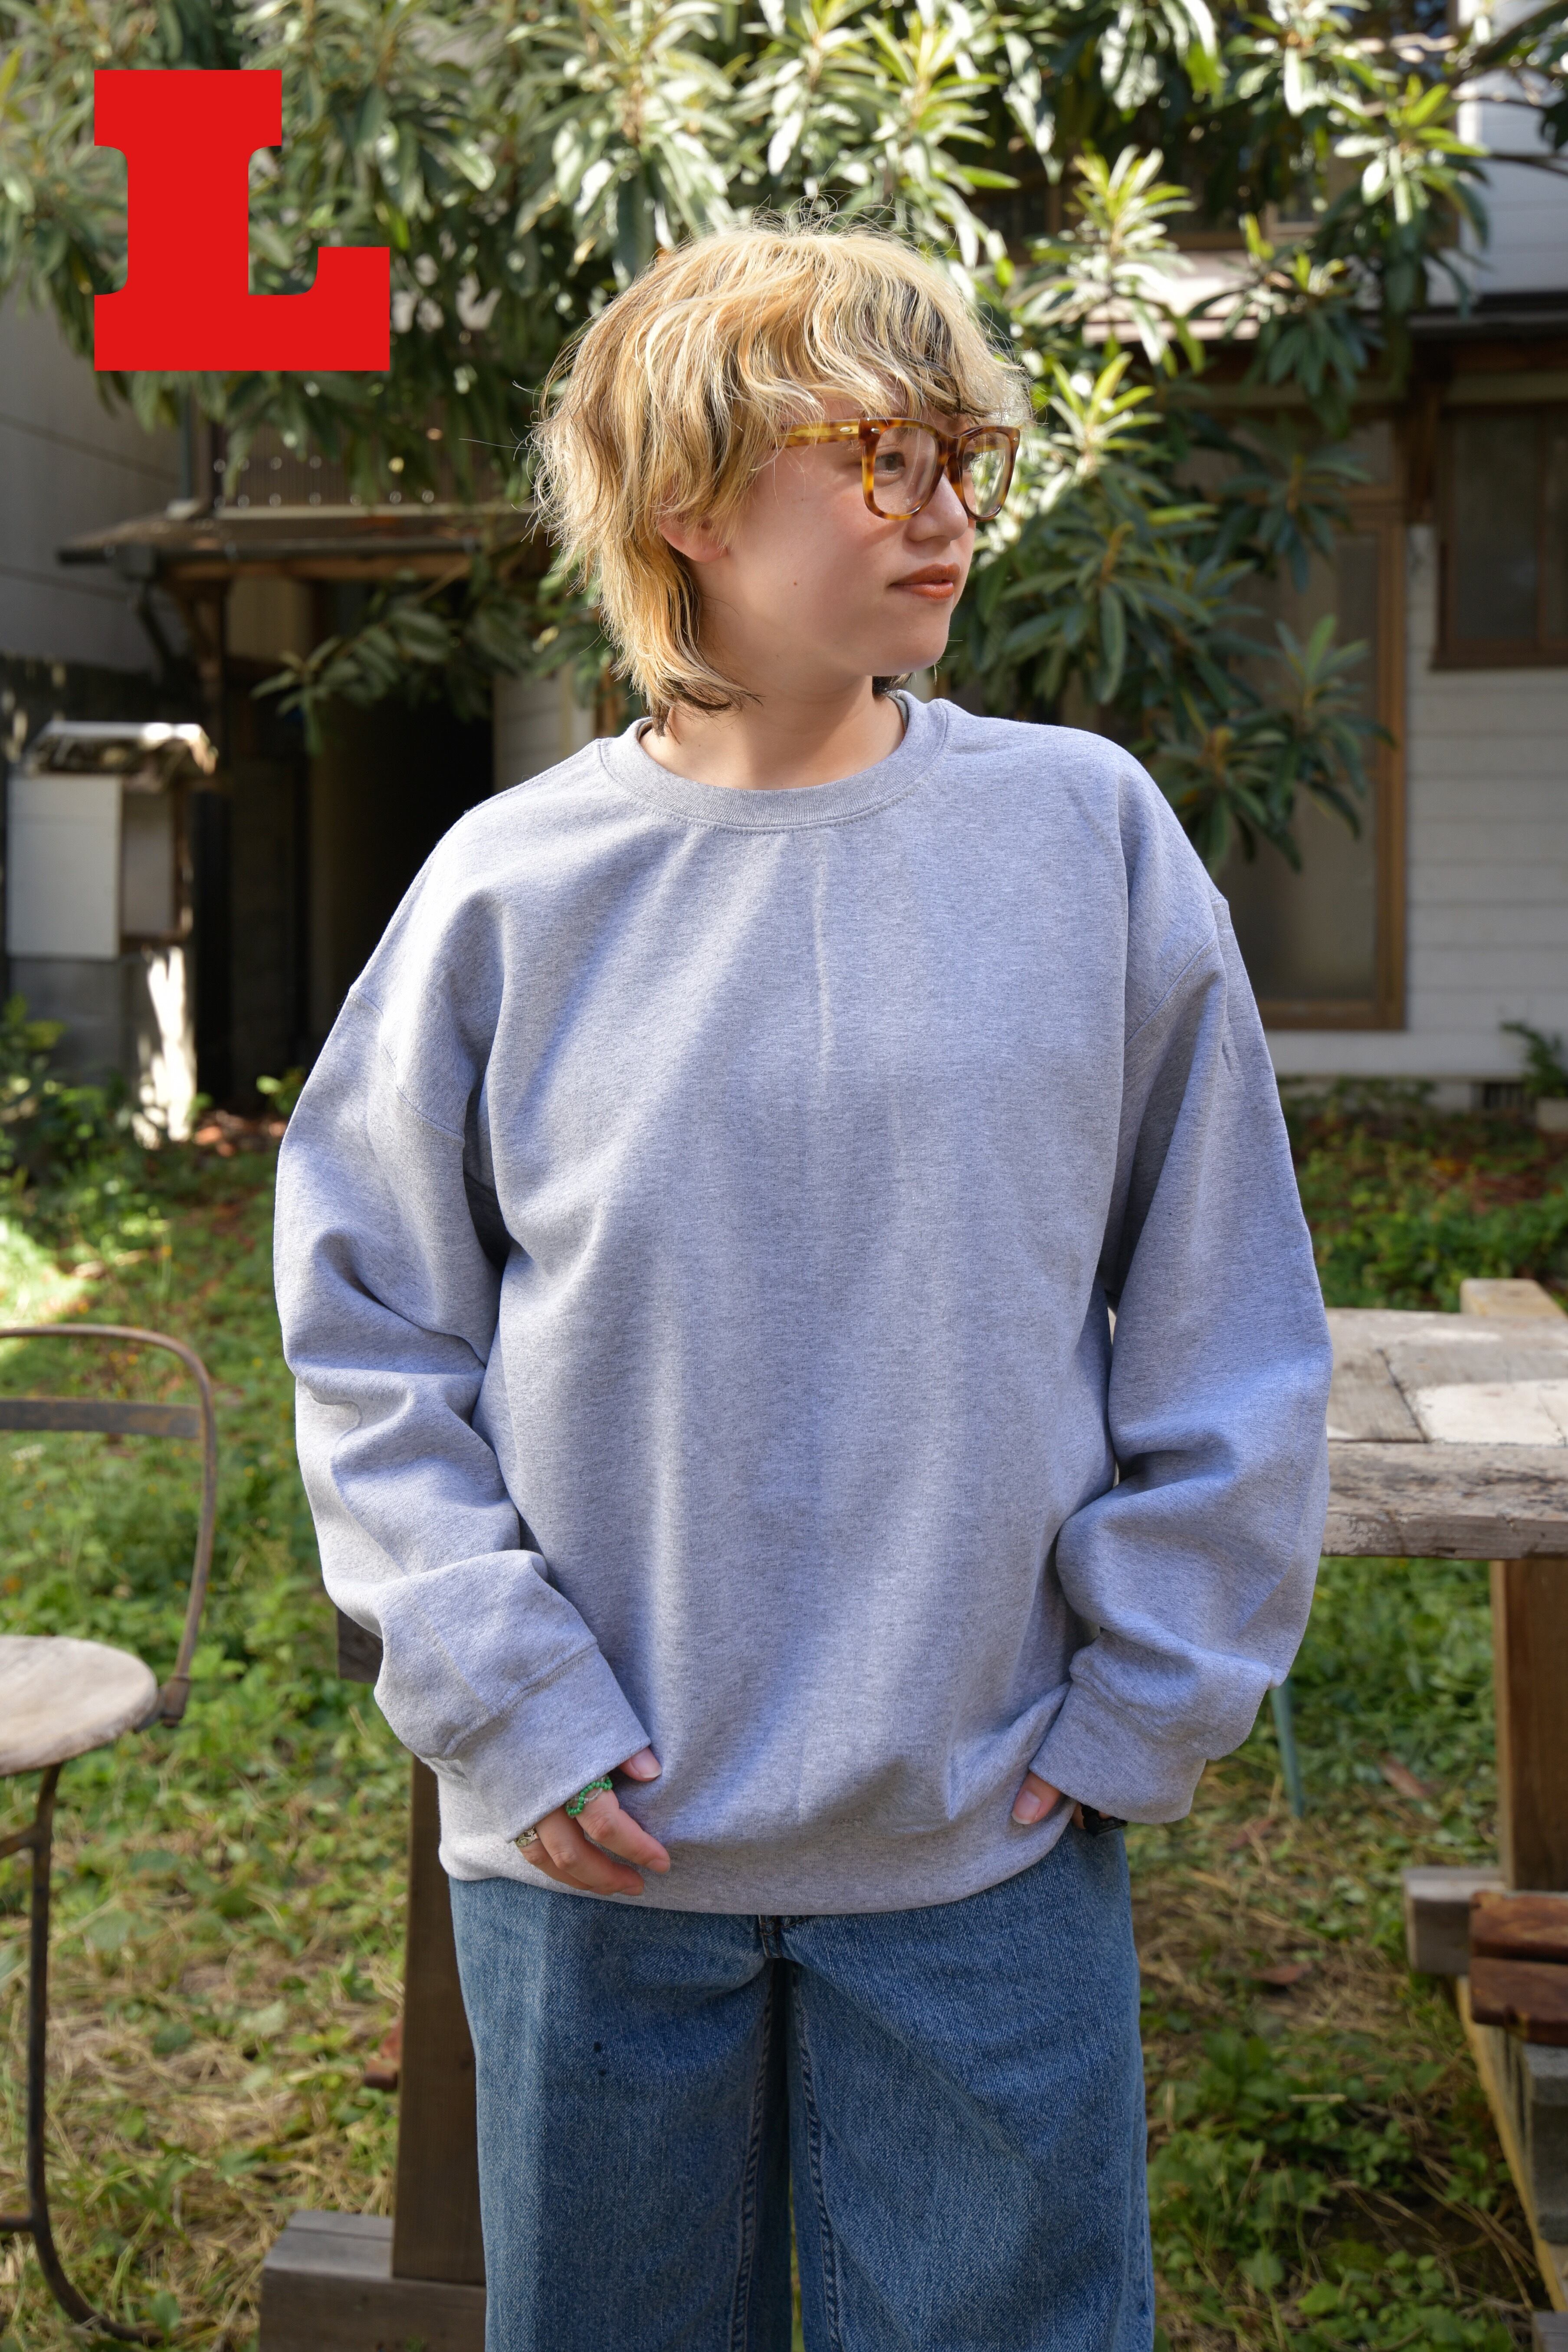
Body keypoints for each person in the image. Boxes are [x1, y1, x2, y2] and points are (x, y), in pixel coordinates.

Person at [274, 220, 1332, 2352]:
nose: (947, 512)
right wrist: (508, 1706)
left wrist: (1149, 1694)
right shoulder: (510, 886)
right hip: (596, 1853)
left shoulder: (1086, 839)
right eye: (881, 456)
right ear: (686, 498)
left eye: (965, 458)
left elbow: (1227, 1306)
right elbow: (372, 1332)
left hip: (983, 1840)